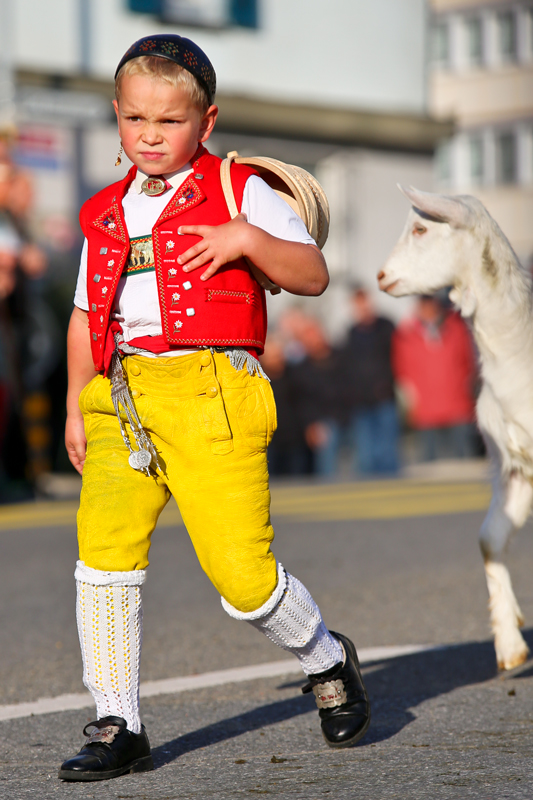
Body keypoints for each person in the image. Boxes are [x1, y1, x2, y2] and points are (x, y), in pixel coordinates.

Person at [59, 35, 370, 782]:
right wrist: (77, 404)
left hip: (211, 395)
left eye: (168, 121)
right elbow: (83, 315)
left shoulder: (240, 189)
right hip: (122, 395)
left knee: (243, 578)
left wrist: (247, 237)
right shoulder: (103, 211)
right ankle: (116, 722)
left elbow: (312, 274)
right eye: (135, 119)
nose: (149, 135)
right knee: (102, 561)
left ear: (206, 121)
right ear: (117, 117)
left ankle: (326, 658)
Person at [392, 294, 477, 461]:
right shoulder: (405, 335)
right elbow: (402, 371)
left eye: (430, 302)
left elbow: (468, 363)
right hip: (425, 411)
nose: (427, 308)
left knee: (465, 463)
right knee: (428, 467)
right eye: (423, 304)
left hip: (457, 406)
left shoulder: (457, 328)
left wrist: (466, 386)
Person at [342, 288, 399, 475]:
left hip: (384, 398)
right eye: (358, 304)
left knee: (388, 453)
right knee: (366, 457)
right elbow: (348, 368)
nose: (362, 308)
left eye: (364, 303)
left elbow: (398, 358)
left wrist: (388, 383)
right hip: (360, 401)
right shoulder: (351, 333)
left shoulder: (386, 327)